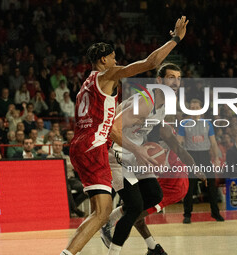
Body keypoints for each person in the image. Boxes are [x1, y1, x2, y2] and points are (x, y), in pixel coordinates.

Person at [62, 16, 188, 255]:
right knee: (109, 211)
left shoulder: (85, 85)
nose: (116, 61)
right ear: (103, 60)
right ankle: (111, 238)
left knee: (100, 212)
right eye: (113, 57)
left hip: (81, 145)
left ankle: (92, 240)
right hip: (99, 146)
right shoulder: (107, 76)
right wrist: (175, 39)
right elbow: (151, 62)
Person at [104, 63, 201, 255]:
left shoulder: (164, 106)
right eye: (170, 77)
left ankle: (109, 221)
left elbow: (171, 139)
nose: (175, 82)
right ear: (159, 80)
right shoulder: (145, 102)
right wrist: (138, 150)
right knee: (135, 207)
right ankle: (112, 249)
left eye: (178, 78)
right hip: (115, 152)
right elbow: (112, 129)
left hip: (134, 155)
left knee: (155, 195)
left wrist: (193, 164)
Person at [177, 98, 225, 223]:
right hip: (191, 157)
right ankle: (187, 215)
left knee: (211, 186)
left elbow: (213, 143)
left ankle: (215, 213)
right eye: (192, 108)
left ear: (201, 109)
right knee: (189, 187)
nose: (194, 110)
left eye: (196, 108)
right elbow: (179, 141)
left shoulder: (208, 124)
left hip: (204, 156)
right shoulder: (184, 123)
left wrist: (216, 159)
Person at [47, 138, 87, 217]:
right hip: (59, 180)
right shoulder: (49, 158)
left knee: (86, 189)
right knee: (66, 189)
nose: (57, 147)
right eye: (56, 145)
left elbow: (74, 167)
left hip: (71, 179)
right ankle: (75, 209)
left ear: (62, 147)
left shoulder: (67, 157)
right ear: (52, 146)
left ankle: (71, 208)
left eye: (59, 145)